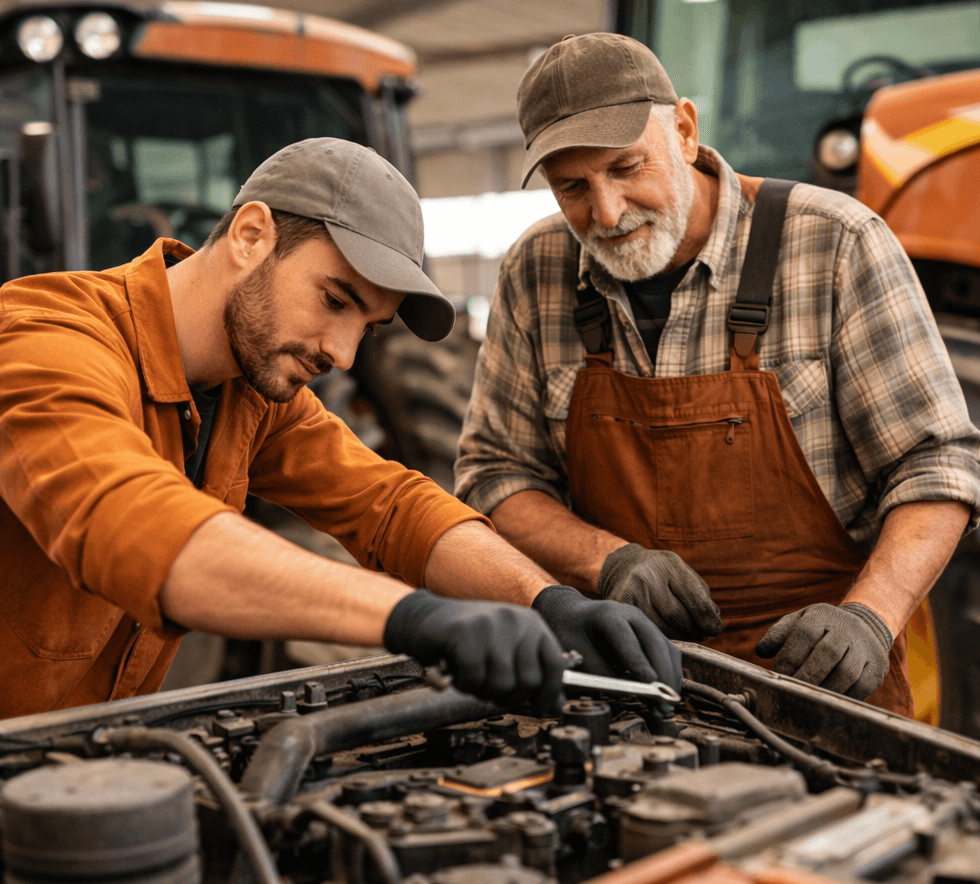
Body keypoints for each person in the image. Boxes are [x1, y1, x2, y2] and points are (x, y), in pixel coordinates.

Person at [0, 137, 682, 721]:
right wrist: (413, 618)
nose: (344, 354)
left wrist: (548, 602)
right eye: (334, 300)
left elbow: (390, 506)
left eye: (368, 327)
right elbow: (133, 523)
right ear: (250, 236)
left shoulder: (250, 394)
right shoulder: (43, 339)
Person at [454, 34, 980, 717]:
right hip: (623, 687)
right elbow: (495, 475)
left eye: (626, 167)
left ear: (684, 130)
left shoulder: (834, 242)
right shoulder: (537, 271)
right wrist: (607, 560)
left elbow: (938, 464)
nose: (608, 212)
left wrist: (869, 616)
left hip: (822, 687)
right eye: (573, 188)